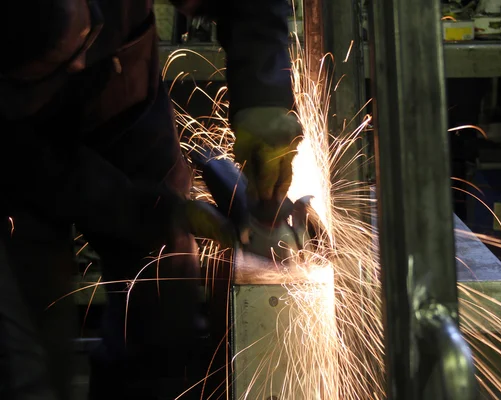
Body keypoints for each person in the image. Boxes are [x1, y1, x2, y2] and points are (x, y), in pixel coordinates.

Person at [0, 0, 302, 399]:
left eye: (81, 38)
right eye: (54, 61)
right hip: (17, 144)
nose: (76, 67)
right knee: (32, 353)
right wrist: (153, 210)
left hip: (126, 101)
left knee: (167, 297)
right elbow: (45, 173)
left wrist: (263, 95)